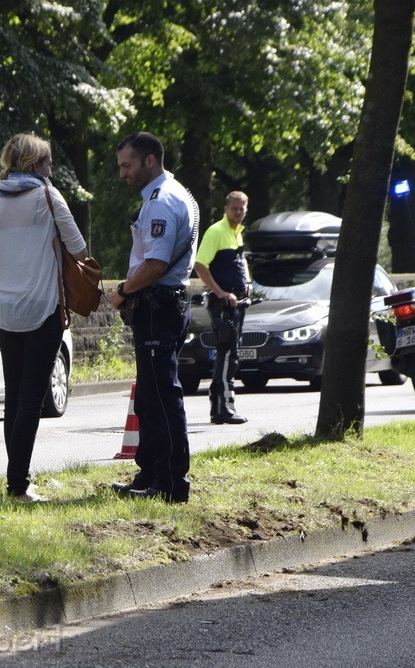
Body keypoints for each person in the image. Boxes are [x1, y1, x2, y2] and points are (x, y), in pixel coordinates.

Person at [0, 133, 88, 502]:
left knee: (14, 398)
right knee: (31, 401)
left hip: (5, 313)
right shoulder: (47, 196)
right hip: (43, 310)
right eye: (49, 163)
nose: (51, 169)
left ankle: (16, 479)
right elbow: (79, 248)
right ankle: (17, 486)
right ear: (35, 165)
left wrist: (5, 300)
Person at [110, 132, 199, 504]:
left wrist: (124, 291)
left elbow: (156, 263)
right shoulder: (178, 193)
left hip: (157, 304)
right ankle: (149, 472)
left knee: (161, 395)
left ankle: (169, 482)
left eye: (127, 165)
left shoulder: (161, 202)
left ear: (149, 161)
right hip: (164, 305)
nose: (122, 174)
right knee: (149, 394)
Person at [194, 191, 252, 425]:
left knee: (231, 354)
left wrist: (247, 286)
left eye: (242, 209)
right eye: (234, 208)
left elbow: (238, 264)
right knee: (226, 353)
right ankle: (222, 407)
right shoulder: (217, 231)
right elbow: (200, 265)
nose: (238, 212)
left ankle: (224, 405)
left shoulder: (237, 234)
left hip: (237, 302)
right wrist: (220, 292)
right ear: (225, 208)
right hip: (223, 304)